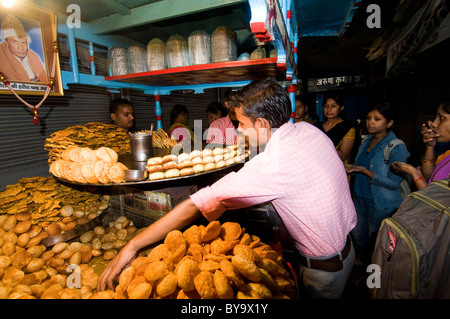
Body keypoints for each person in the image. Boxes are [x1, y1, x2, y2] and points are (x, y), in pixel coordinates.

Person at [98, 78, 357, 299]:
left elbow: (195, 204)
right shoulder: (307, 130)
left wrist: (132, 245)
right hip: (347, 251)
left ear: (263, 125)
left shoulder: (273, 162)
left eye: (242, 124)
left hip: (323, 272)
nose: (239, 131)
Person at [346, 102, 410, 262]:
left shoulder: (396, 147)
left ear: (389, 123)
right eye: (368, 118)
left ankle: (374, 275)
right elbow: (361, 165)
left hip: (380, 204)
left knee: (377, 243)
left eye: (377, 119)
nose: (370, 122)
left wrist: (366, 172)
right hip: (359, 199)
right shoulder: (366, 141)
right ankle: (364, 267)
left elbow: (394, 182)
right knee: (359, 236)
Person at [392, 101, 450, 189]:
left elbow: (434, 199)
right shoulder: (447, 156)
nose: (434, 124)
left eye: (441, 118)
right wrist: (430, 146)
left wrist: (414, 173)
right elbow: (430, 177)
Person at [0, 15, 47, 83]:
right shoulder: (2, 59)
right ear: (6, 43)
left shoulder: (33, 56)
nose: (21, 48)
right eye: (15, 42)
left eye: (23, 42)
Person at [316, 91, 355, 164]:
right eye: (326, 106)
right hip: (319, 166)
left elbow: (343, 155)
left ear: (341, 108)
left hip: (337, 167)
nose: (329, 109)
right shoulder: (317, 127)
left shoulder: (347, 127)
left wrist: (320, 147)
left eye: (333, 106)